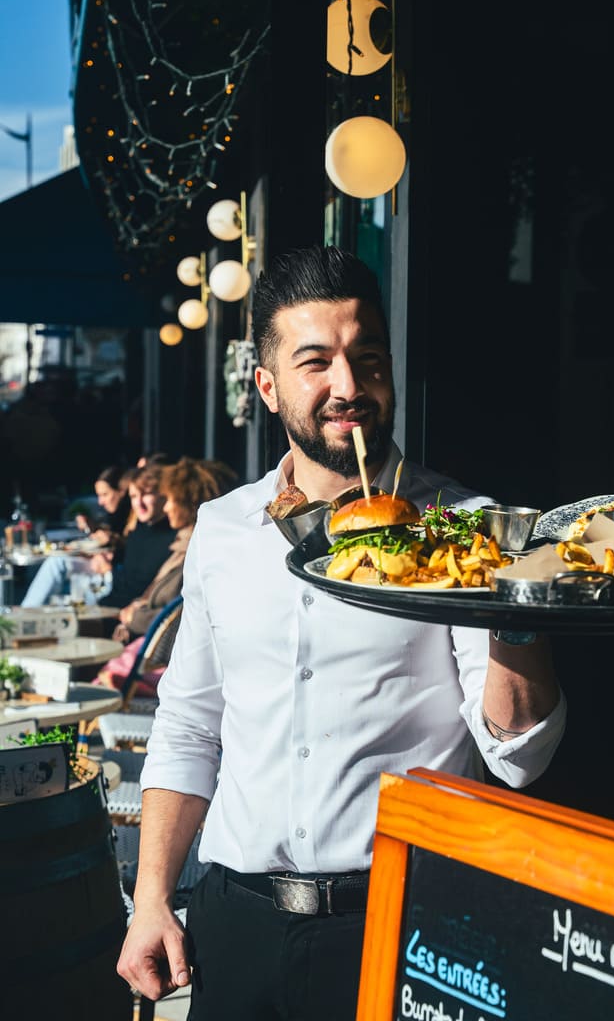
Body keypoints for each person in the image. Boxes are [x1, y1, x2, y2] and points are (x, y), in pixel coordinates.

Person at [118, 245, 566, 1019]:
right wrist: (152, 899)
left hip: (402, 920)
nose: (348, 387)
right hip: (235, 921)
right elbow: (190, 725)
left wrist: (513, 607)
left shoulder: (464, 529)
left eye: (368, 359)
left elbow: (520, 756)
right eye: (317, 362)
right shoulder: (224, 530)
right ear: (267, 385)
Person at [94, 457, 238, 696]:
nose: (167, 507)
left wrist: (135, 616)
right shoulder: (184, 546)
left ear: (188, 501)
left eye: (170, 499)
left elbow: (182, 615)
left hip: (161, 665)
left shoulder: (196, 551)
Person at [21, 461, 176, 614]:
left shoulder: (166, 537)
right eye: (134, 496)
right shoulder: (142, 527)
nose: (139, 502)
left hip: (114, 598)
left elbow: (137, 585)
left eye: (146, 494)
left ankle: (21, 617)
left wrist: (109, 570)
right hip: (111, 589)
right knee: (57, 580)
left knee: (58, 572)